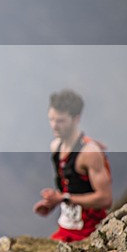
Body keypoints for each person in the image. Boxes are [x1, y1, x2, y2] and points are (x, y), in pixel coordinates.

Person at [33, 89, 112, 242]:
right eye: (51, 119)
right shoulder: (56, 147)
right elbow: (69, 187)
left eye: (60, 121)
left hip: (90, 231)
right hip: (65, 228)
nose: (54, 125)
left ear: (76, 119)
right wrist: (53, 201)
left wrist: (64, 198)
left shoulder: (89, 153)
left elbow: (105, 199)